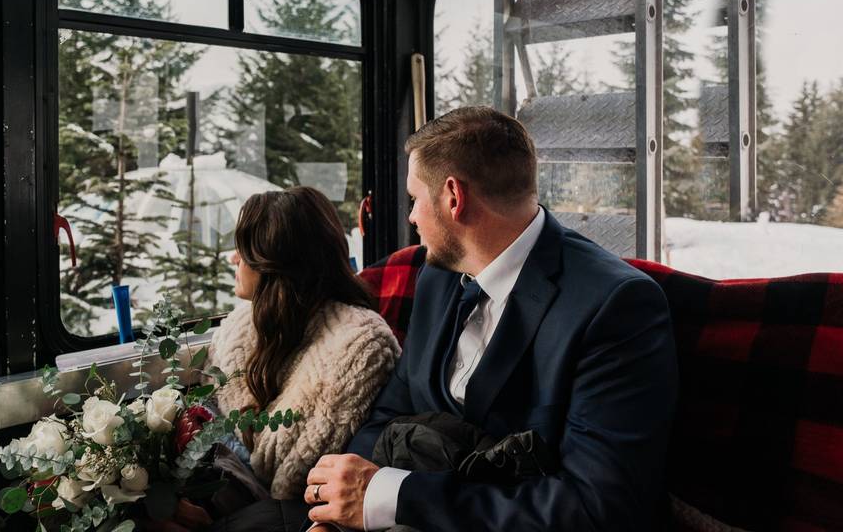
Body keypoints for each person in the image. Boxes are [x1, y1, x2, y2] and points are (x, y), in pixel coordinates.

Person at [302, 106, 679, 531]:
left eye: (414, 200)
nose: (410, 217)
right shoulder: (436, 276)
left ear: (453, 198)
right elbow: (391, 409)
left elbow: (596, 506)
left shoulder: (617, 306)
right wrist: (336, 514)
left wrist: (389, 497)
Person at [203, 187, 401, 515]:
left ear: (275, 257)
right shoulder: (241, 329)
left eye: (243, 246)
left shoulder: (360, 344)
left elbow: (290, 476)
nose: (232, 257)